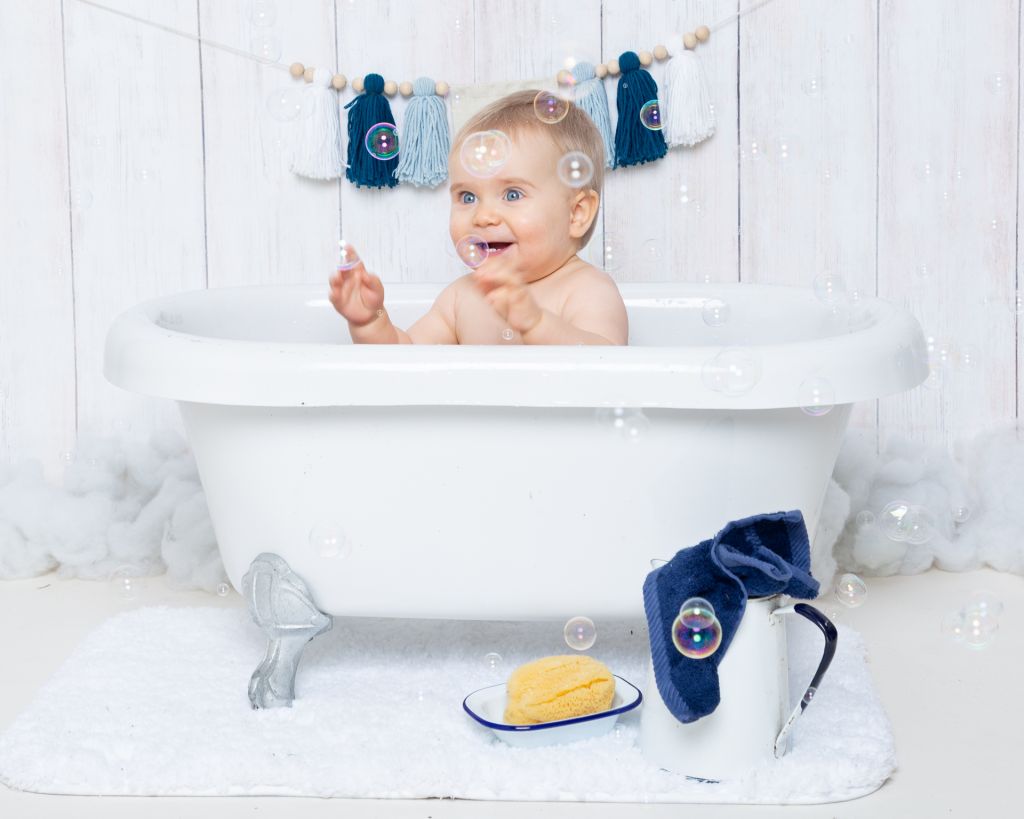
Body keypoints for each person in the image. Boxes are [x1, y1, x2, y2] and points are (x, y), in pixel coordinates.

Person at [328, 89, 628, 345]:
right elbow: (406, 362)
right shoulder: (461, 298)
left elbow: (609, 368)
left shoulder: (587, 290)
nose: (483, 216)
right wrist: (370, 321)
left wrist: (536, 323)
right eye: (467, 197)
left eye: (512, 194)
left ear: (577, 213)